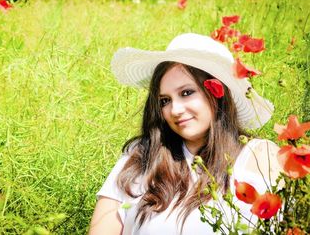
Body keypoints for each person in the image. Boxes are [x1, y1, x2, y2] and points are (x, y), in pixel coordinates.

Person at [89, 33, 281, 235]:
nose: (175, 110)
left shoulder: (259, 158)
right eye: (165, 100)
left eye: (186, 93)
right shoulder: (140, 158)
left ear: (217, 93)